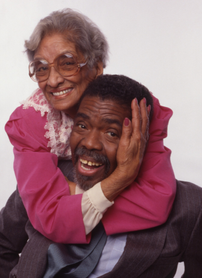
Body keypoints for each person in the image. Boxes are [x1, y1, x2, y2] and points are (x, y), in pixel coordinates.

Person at [1, 75, 201, 278]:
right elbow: (3, 243)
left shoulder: (189, 206)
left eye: (112, 133)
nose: (90, 143)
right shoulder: (49, 179)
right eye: (82, 126)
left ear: (141, 139)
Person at [5, 8, 176, 244]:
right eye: (42, 67)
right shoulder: (30, 122)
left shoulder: (136, 108)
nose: (53, 80)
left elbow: (157, 200)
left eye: (67, 63)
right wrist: (123, 177)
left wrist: (73, 194)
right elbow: (51, 218)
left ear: (96, 67)